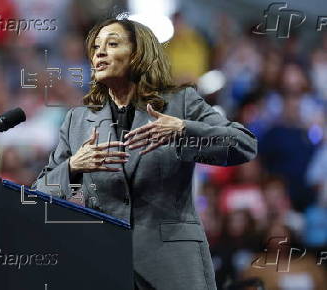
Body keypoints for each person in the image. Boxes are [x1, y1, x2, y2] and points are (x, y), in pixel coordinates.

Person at [32, 18, 257, 290]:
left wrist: (183, 129)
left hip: (172, 264)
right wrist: (73, 167)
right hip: (104, 264)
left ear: (139, 54)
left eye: (112, 44)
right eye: (95, 47)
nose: (99, 52)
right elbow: (39, 195)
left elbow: (244, 145)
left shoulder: (180, 103)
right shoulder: (77, 120)